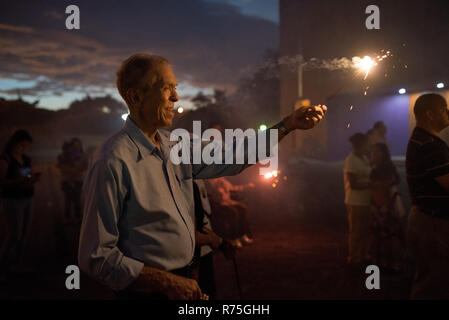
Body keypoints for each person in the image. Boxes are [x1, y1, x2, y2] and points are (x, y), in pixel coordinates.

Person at [78, 53, 327, 300]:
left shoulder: (175, 146)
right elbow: (97, 255)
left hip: (184, 282)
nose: (176, 97)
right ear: (135, 96)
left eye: (175, 88)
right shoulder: (113, 159)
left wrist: (286, 125)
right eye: (166, 88)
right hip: (148, 293)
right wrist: (166, 282)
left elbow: (234, 155)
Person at [406, 93, 449, 299]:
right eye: (444, 109)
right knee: (436, 283)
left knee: (429, 279)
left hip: (427, 219)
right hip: (433, 223)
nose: (448, 113)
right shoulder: (429, 146)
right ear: (430, 114)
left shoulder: (425, 141)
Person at [0, 130, 39, 278]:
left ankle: (18, 263)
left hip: (28, 197)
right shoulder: (5, 159)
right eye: (21, 145)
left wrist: (32, 179)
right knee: (13, 234)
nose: (23, 148)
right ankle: (4, 264)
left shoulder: (26, 159)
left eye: (26, 146)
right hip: (12, 200)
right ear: (14, 143)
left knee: (23, 234)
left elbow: (27, 174)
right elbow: (2, 181)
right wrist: (20, 181)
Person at [369, 143, 406, 271]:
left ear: (383, 153)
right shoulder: (377, 166)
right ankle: (385, 262)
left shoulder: (384, 167)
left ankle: (389, 263)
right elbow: (396, 179)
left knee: (388, 235)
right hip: (380, 204)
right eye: (373, 151)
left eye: (377, 152)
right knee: (382, 235)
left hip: (386, 204)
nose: (374, 154)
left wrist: (382, 185)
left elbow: (394, 180)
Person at [343, 133, 373, 264]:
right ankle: (354, 256)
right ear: (362, 144)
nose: (369, 146)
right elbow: (353, 184)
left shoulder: (364, 159)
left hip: (365, 200)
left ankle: (364, 254)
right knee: (356, 230)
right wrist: (372, 184)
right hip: (355, 201)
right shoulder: (351, 160)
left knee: (365, 229)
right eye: (367, 143)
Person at [207, 177, 255, 247]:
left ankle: (242, 235)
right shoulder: (209, 181)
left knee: (243, 208)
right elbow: (212, 193)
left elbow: (233, 188)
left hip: (228, 202)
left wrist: (247, 186)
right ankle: (234, 238)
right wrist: (217, 185)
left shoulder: (222, 180)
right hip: (218, 204)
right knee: (234, 212)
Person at [57, 138, 88, 223]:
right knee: (68, 199)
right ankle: (67, 218)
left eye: (78, 145)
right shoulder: (64, 156)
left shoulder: (82, 155)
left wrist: (76, 170)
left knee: (77, 199)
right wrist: (74, 171)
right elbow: (62, 167)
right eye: (74, 146)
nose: (76, 147)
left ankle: (78, 217)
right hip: (67, 181)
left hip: (78, 180)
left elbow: (86, 166)